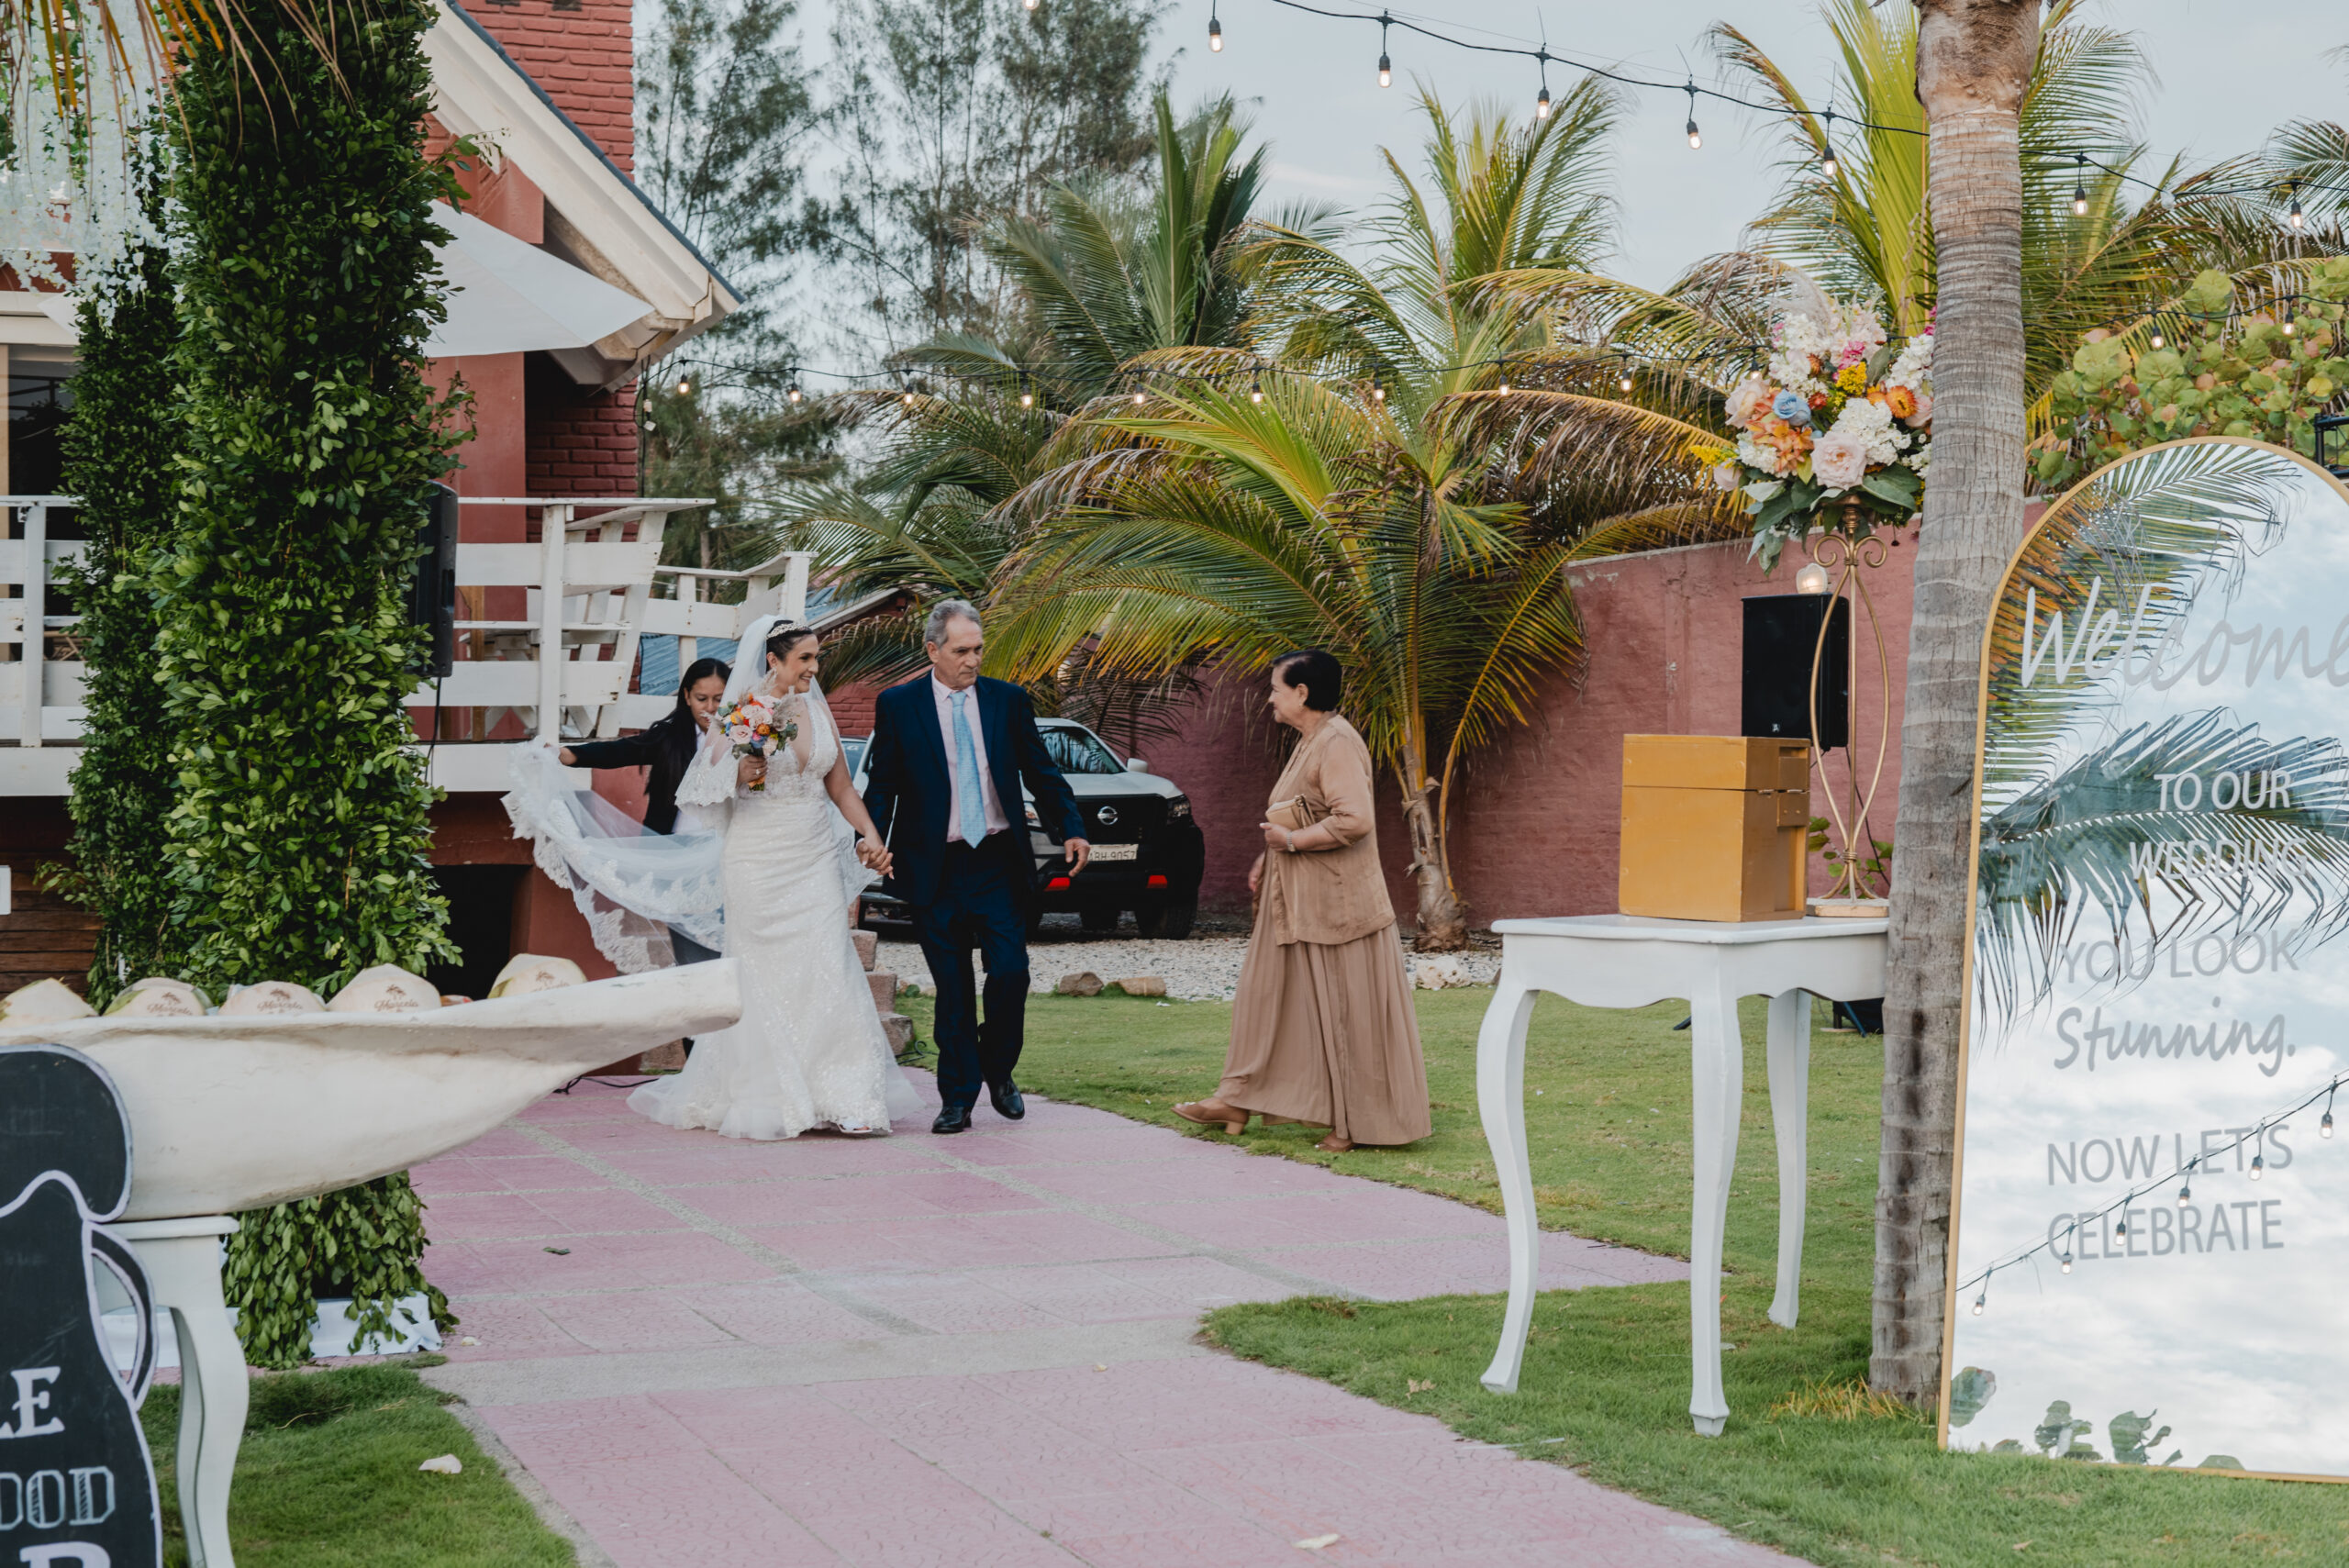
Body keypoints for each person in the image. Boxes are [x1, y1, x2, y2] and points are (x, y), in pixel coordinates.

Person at [628, 618, 924, 1139]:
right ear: (774, 660)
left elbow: (842, 788)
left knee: (829, 964)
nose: (814, 668)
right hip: (757, 859)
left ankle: (844, 1094)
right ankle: (770, 1093)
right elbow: (705, 789)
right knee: (765, 974)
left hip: (813, 856)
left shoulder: (817, 712)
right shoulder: (745, 712)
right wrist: (742, 768)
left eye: (816, 657)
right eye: (805, 658)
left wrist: (870, 836)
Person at [1174, 650, 1430, 1152]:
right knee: (1266, 999)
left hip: (1335, 909)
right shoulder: (1312, 740)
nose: (1269, 699)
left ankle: (1354, 1125)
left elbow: (1354, 819)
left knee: (1343, 1015)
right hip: (1294, 904)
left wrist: (1290, 843)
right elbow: (1301, 811)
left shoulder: (1337, 742)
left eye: (1275, 689)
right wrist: (1268, 854)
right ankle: (1236, 1098)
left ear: (1302, 693)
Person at [861, 600, 1088, 1135]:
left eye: (978, 649)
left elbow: (1041, 771)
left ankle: (998, 1068)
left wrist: (1072, 828)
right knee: (954, 990)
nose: (973, 660)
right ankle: (957, 1099)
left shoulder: (1008, 701)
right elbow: (883, 783)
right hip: (933, 866)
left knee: (1010, 972)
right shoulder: (898, 704)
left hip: (997, 862)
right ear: (933, 650)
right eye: (962, 651)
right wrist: (869, 838)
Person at [560, 656, 730, 964]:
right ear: (687, 696)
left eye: (719, 699)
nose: (710, 708)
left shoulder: (745, 736)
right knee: (691, 945)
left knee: (726, 941)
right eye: (702, 698)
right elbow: (622, 751)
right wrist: (571, 755)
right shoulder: (670, 737)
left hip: (725, 852)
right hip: (676, 854)